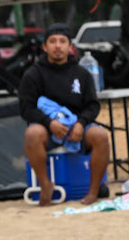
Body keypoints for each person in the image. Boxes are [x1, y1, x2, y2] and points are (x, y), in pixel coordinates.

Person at [17, 24, 111, 206]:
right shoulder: (33, 74)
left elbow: (92, 106)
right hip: (48, 129)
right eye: (52, 42)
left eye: (62, 41)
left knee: (100, 135)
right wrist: (49, 122)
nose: (57, 46)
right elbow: (26, 108)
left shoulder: (82, 74)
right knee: (32, 134)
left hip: (77, 127)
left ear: (70, 47)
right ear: (45, 47)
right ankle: (45, 185)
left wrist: (81, 124)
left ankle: (92, 192)